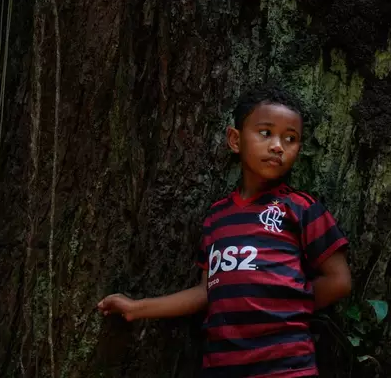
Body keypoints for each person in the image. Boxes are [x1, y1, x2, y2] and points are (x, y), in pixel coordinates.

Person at [97, 84, 352, 378]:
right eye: (266, 133)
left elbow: (338, 280)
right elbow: (208, 291)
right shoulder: (217, 218)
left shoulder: (300, 208)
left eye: (290, 138)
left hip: (286, 367)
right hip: (223, 367)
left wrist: (283, 304)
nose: (278, 146)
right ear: (235, 139)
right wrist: (138, 308)